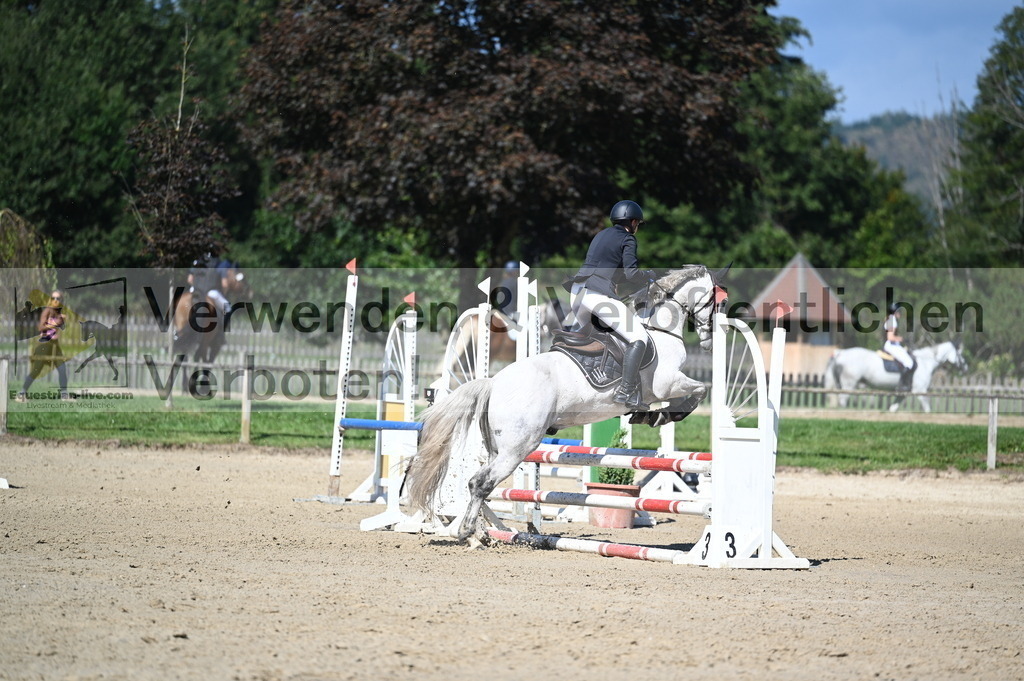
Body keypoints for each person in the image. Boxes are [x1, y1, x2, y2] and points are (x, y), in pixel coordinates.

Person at [565, 200, 656, 410]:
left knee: (602, 336)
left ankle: (601, 380)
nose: (637, 227)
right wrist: (648, 276)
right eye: (638, 224)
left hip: (577, 294)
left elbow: (614, 273)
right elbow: (632, 273)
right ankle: (626, 391)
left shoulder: (601, 235)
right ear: (632, 222)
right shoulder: (628, 239)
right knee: (638, 337)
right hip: (596, 296)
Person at [17, 290, 69, 400]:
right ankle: (22, 393)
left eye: (58, 298)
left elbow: (62, 327)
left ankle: (64, 395)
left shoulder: (58, 312)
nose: (55, 300)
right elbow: (40, 327)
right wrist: (55, 323)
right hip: (45, 343)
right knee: (36, 370)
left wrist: (61, 320)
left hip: (55, 344)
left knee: (62, 368)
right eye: (53, 298)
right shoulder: (47, 310)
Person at [883, 302, 915, 391]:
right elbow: (890, 337)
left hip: (893, 345)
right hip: (891, 346)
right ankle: (902, 384)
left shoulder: (890, 319)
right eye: (898, 311)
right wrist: (902, 339)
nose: (900, 313)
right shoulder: (892, 321)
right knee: (909, 362)